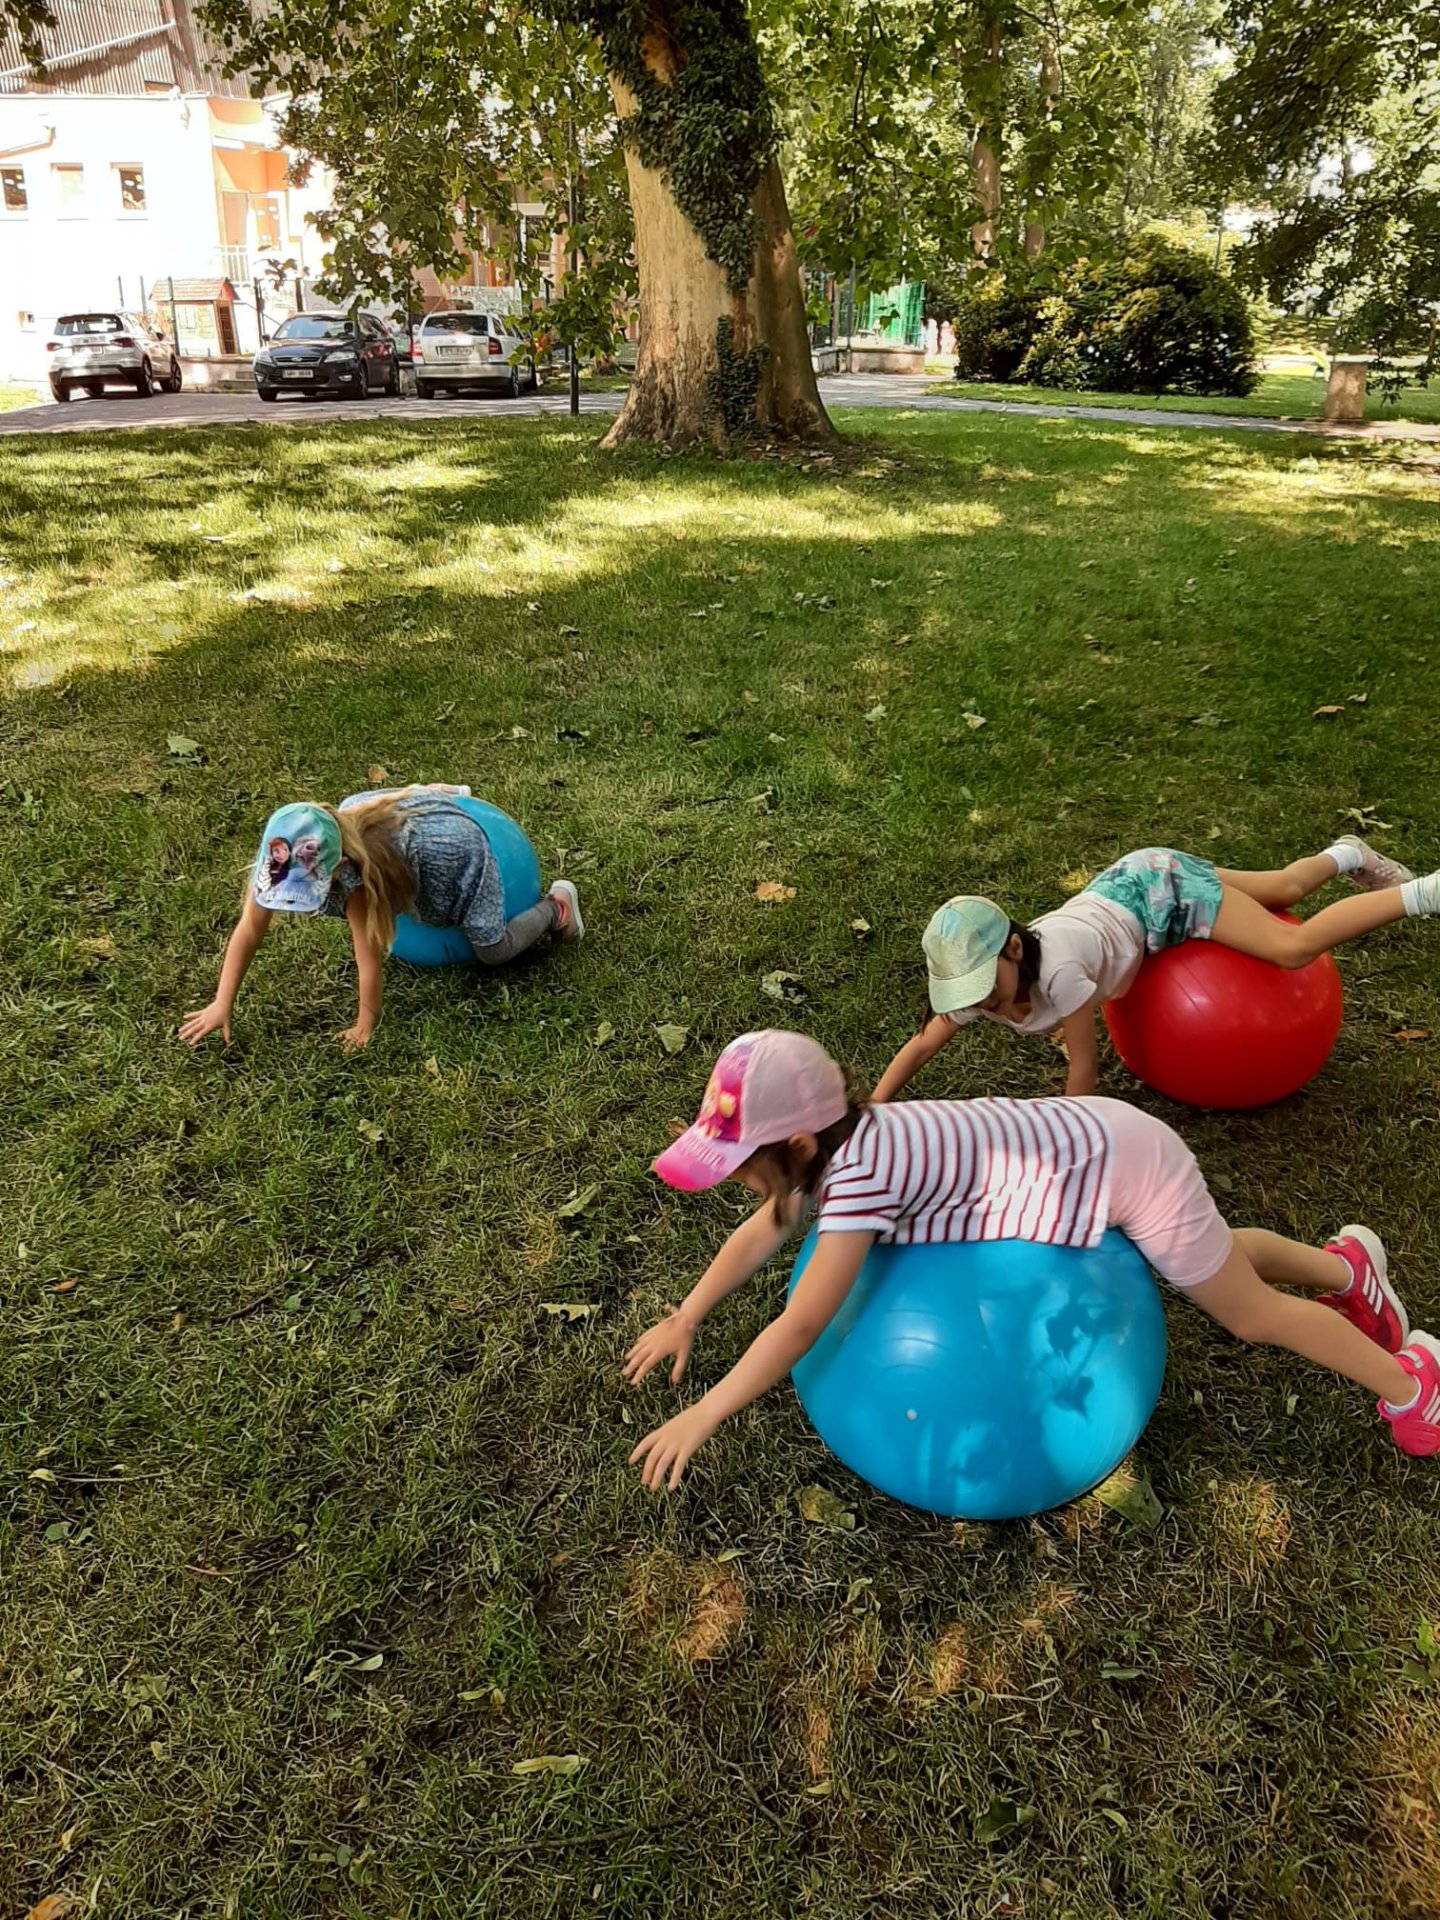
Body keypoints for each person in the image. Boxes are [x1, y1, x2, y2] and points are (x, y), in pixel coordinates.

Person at [624, 1030, 1440, 1490]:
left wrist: (705, 1415)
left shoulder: (861, 1178)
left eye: (742, 1163)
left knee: (1248, 1313)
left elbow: (804, 1324)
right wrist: (688, 1314)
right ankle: (1347, 1269)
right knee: (1207, 1258)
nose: (739, 1180)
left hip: (1125, 1169)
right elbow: (764, 1229)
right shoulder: (848, 1139)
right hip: (1103, 1141)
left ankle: (1415, 1384)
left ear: (800, 1145)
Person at [872, 837, 1439, 1103]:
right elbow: (922, 1045)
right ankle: (1349, 852)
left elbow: (1084, 1069)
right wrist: (875, 1106)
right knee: (1284, 888)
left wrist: (1066, 1139)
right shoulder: (982, 989)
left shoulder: (1061, 973)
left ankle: (1425, 894)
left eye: (984, 985)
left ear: (1015, 950)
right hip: (1131, 879)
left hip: (1159, 893)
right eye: (966, 991)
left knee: (1293, 947)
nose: (982, 1002)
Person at [179, 784, 582, 1052]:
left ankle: (557, 907)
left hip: (459, 850)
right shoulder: (280, 859)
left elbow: (368, 962)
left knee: (493, 950)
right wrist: (222, 1002)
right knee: (355, 803)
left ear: (339, 869)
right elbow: (249, 928)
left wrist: (364, 1026)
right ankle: (437, 793)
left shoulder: (356, 884)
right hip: (401, 818)